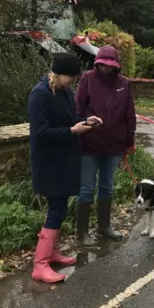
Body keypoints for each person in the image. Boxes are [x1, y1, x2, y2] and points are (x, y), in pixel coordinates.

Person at [28, 53, 103, 283]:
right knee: (57, 209)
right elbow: (40, 134)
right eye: (69, 76)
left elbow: (74, 117)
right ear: (57, 73)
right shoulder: (39, 95)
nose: (72, 81)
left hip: (65, 160)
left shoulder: (64, 92)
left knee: (59, 207)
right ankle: (40, 265)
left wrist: (87, 121)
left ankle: (51, 253)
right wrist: (72, 132)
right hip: (49, 163)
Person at [75, 46, 137, 247]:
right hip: (89, 144)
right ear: (97, 63)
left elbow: (129, 115)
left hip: (114, 145)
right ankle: (82, 232)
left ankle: (104, 226)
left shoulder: (124, 84)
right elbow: (77, 109)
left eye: (109, 66)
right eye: (102, 66)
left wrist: (129, 141)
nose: (105, 70)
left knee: (106, 186)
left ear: (116, 66)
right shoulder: (87, 79)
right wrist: (85, 122)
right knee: (86, 188)